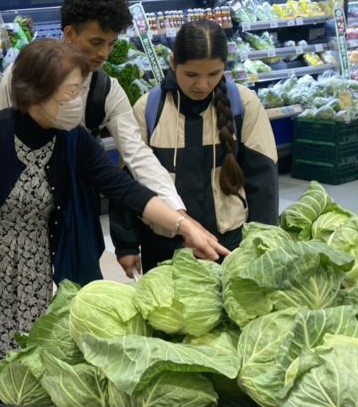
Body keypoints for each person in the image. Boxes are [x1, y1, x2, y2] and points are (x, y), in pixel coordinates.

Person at [0, 39, 226, 385]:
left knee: (24, 345)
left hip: (30, 256)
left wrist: (184, 225)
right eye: (70, 91)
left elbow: (125, 189)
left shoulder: (74, 141)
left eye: (80, 90)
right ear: (35, 92)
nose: (78, 101)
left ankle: (11, 405)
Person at [0, 0, 185, 280]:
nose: (103, 53)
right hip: (20, 196)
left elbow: (137, 154)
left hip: (77, 198)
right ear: (69, 33)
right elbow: (0, 137)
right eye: (96, 42)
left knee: (81, 285)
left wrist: (175, 211)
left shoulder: (107, 90)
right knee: (23, 282)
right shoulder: (23, 74)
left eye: (111, 43)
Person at [110, 19, 279, 275]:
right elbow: (128, 183)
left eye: (214, 74)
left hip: (230, 246)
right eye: (191, 75)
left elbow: (263, 181)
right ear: (173, 63)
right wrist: (127, 245)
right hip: (164, 248)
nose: (202, 85)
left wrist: (264, 244)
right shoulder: (148, 109)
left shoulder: (244, 105)